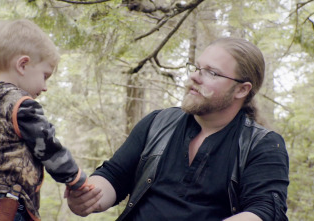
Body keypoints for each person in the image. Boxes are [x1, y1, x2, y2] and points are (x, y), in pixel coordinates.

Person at [65, 37, 289, 221]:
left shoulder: (264, 145)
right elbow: (114, 176)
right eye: (196, 67)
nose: (193, 76)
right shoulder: (157, 123)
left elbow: (266, 211)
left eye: (211, 72)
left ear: (241, 90)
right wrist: (89, 195)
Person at [0, 19, 90, 221]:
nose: (45, 86)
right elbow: (47, 146)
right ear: (23, 65)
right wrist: (76, 179)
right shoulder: (22, 105)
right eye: (45, 75)